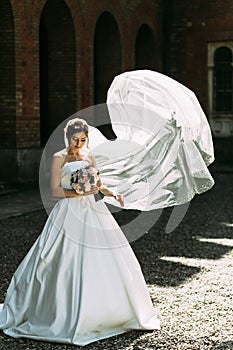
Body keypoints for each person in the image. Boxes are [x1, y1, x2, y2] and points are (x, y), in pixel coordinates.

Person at [0, 118, 160, 347]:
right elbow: (56, 190)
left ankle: (107, 312)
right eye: (75, 139)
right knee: (56, 257)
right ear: (68, 137)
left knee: (108, 258)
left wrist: (112, 193)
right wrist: (79, 192)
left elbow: (98, 184)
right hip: (69, 211)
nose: (79, 143)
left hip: (94, 210)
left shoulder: (89, 156)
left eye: (83, 139)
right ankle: (59, 314)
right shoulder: (58, 158)